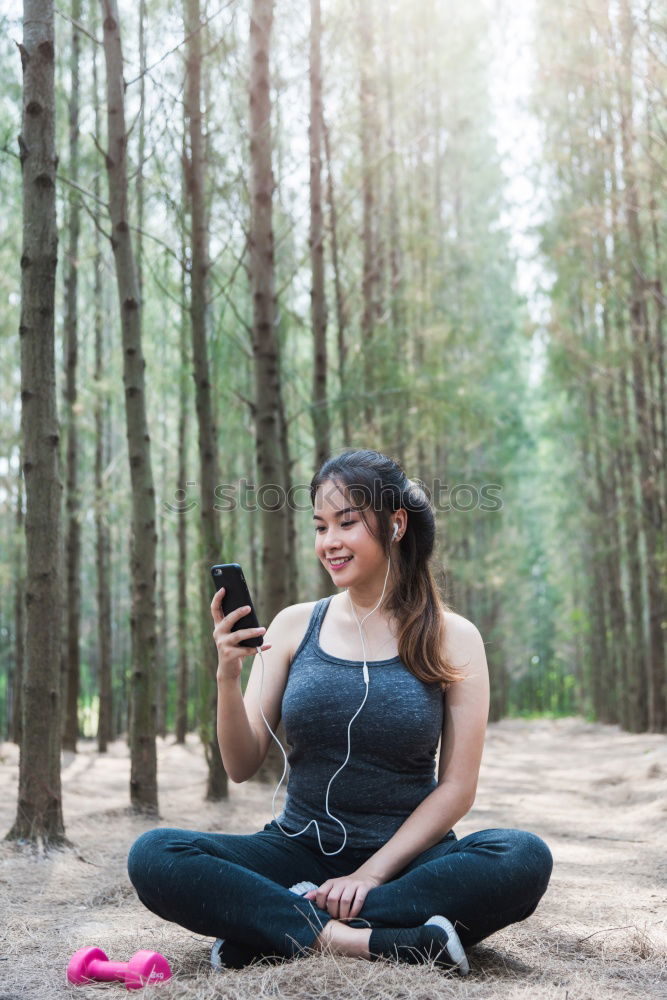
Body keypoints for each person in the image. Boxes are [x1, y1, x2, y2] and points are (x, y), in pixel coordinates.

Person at [127, 448, 552, 975]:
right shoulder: (291, 626)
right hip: (295, 854)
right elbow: (240, 766)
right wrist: (227, 674)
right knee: (154, 853)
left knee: (522, 856)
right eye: (320, 526)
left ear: (395, 524)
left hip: (407, 863)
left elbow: (457, 789)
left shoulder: (454, 637)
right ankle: (374, 940)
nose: (329, 542)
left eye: (347, 523)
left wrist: (370, 876)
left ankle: (275, 929)